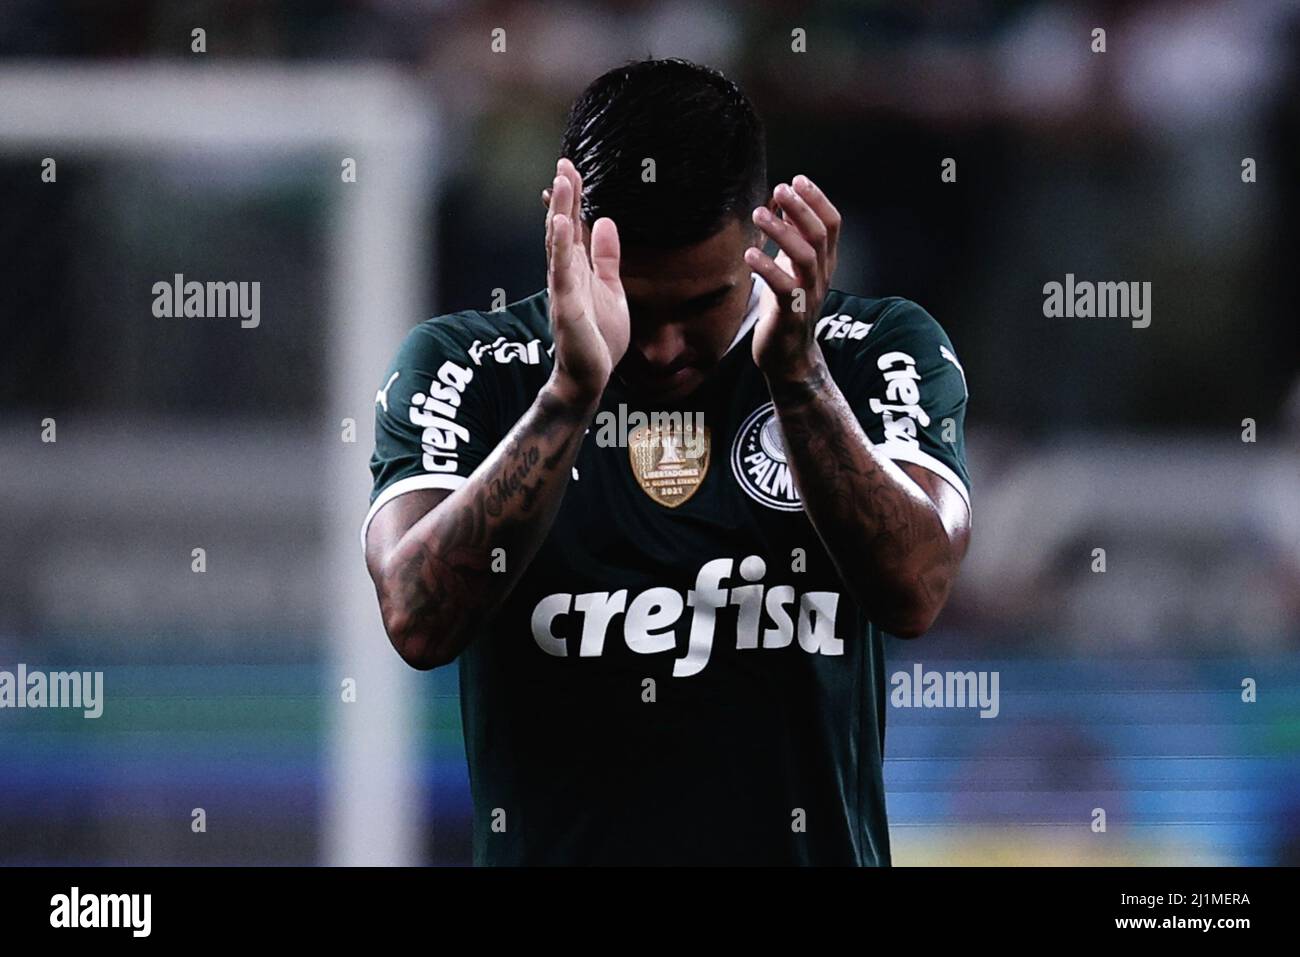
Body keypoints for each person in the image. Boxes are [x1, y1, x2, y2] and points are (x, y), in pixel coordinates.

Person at [363, 57, 971, 865]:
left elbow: (915, 589)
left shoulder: (875, 352)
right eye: (638, 306)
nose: (661, 346)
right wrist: (571, 395)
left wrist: (797, 376)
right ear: (563, 226)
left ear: (764, 231)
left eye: (700, 305)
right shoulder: (468, 365)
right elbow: (416, 614)